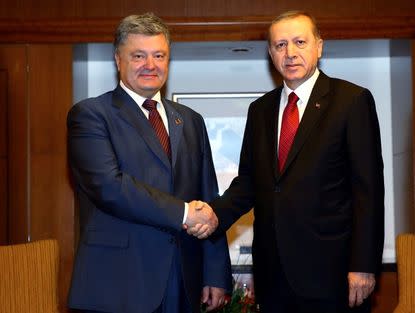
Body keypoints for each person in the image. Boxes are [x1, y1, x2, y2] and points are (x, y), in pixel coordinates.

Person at [188, 10, 385, 313]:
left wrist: (363, 266)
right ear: (270, 53)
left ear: (319, 46)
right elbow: (249, 183)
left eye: (299, 42)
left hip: (334, 277)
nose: (290, 53)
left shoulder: (351, 101)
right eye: (280, 45)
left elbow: (368, 191)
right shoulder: (260, 110)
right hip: (274, 277)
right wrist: (213, 214)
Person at [67, 13, 231, 313]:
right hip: (118, 283)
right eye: (138, 56)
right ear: (118, 60)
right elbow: (109, 187)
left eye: (159, 55)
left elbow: (207, 195)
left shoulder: (191, 121)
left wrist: (215, 273)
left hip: (183, 279)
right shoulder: (90, 115)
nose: (150, 65)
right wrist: (183, 213)